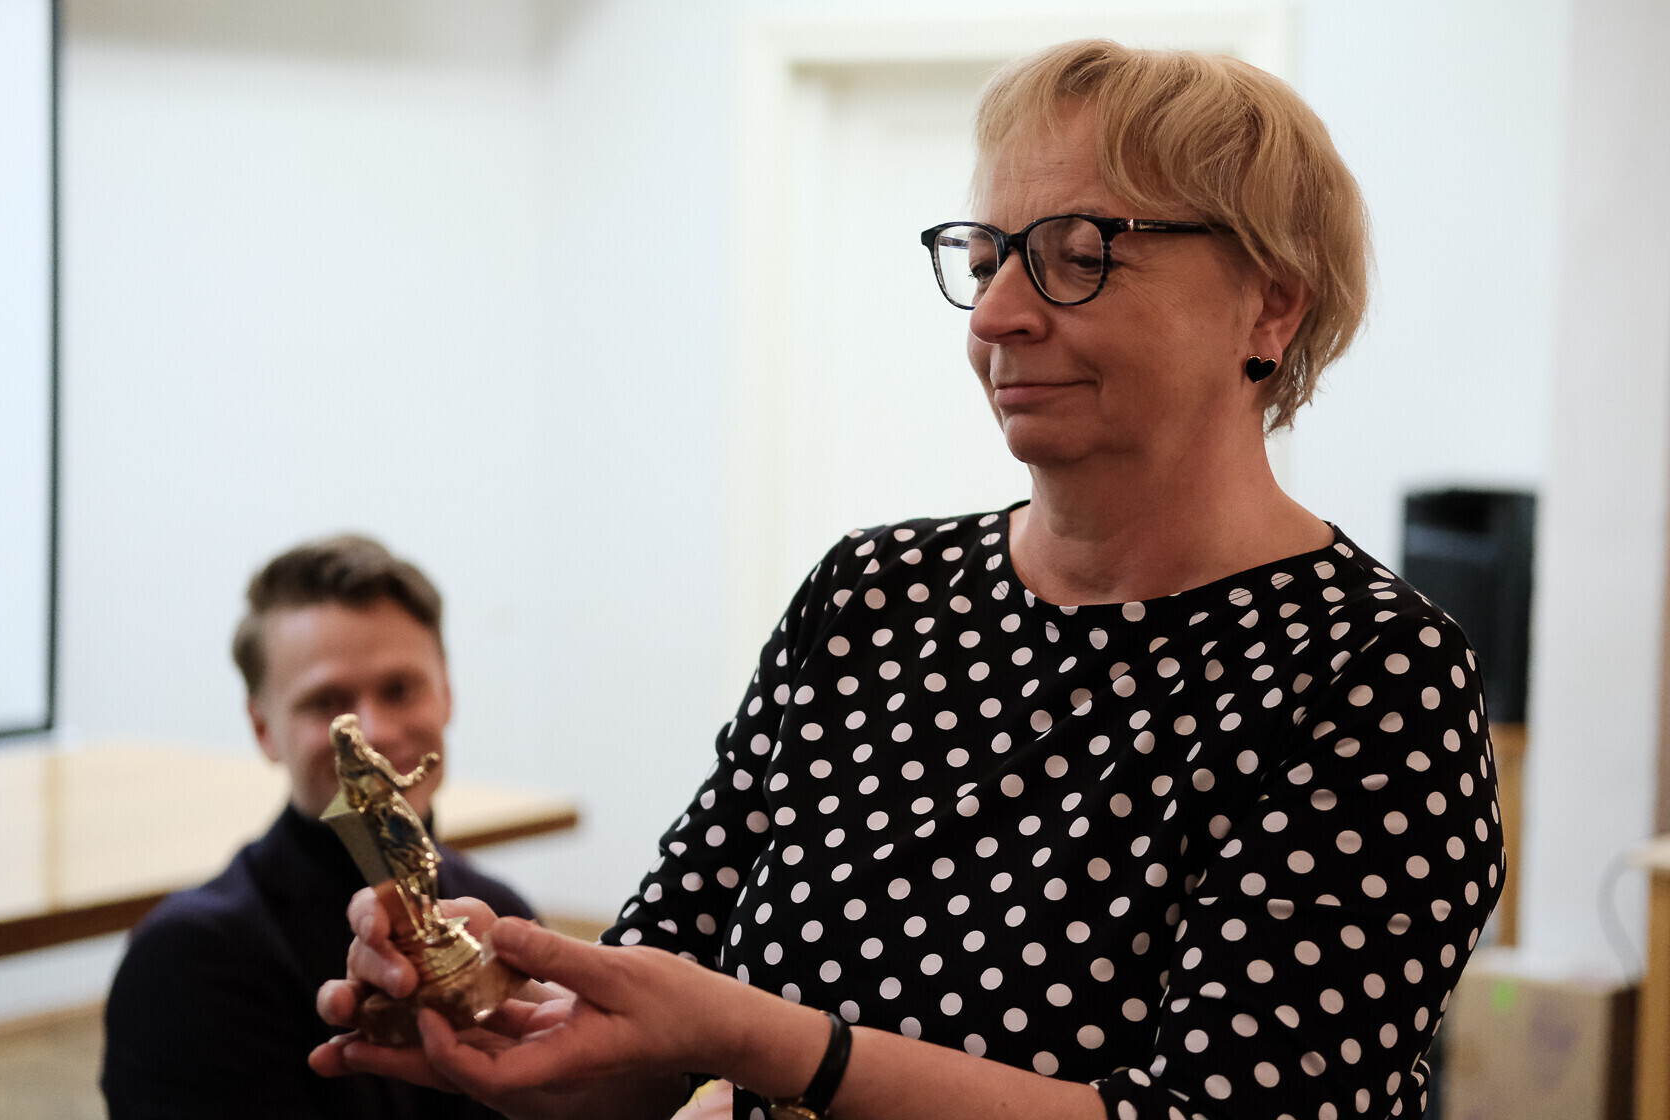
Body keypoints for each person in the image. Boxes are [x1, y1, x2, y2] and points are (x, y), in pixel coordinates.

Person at [312, 39, 1504, 1120]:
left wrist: (771, 1044)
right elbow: (650, 1028)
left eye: (1079, 258)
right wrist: (500, 1004)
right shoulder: (873, 597)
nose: (997, 315)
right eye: (985, 260)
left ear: (1272, 304)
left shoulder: (1370, 674)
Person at [102, 534, 537, 1119]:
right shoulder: (188, 964)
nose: (372, 733)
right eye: (327, 703)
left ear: (447, 694)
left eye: (400, 689)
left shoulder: (499, 917)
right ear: (263, 728)